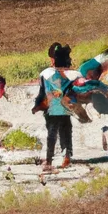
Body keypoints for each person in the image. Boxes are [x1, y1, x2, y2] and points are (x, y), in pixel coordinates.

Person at [32, 42, 78, 171]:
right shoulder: (71, 75)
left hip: (51, 109)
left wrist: (36, 106)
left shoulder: (45, 74)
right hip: (66, 109)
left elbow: (42, 93)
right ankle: (67, 155)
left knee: (52, 134)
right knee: (66, 132)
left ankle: (49, 160)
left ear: (53, 59)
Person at [73, 46, 108, 152]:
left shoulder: (97, 66)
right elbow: (87, 84)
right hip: (84, 93)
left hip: (87, 93)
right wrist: (102, 88)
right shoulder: (91, 69)